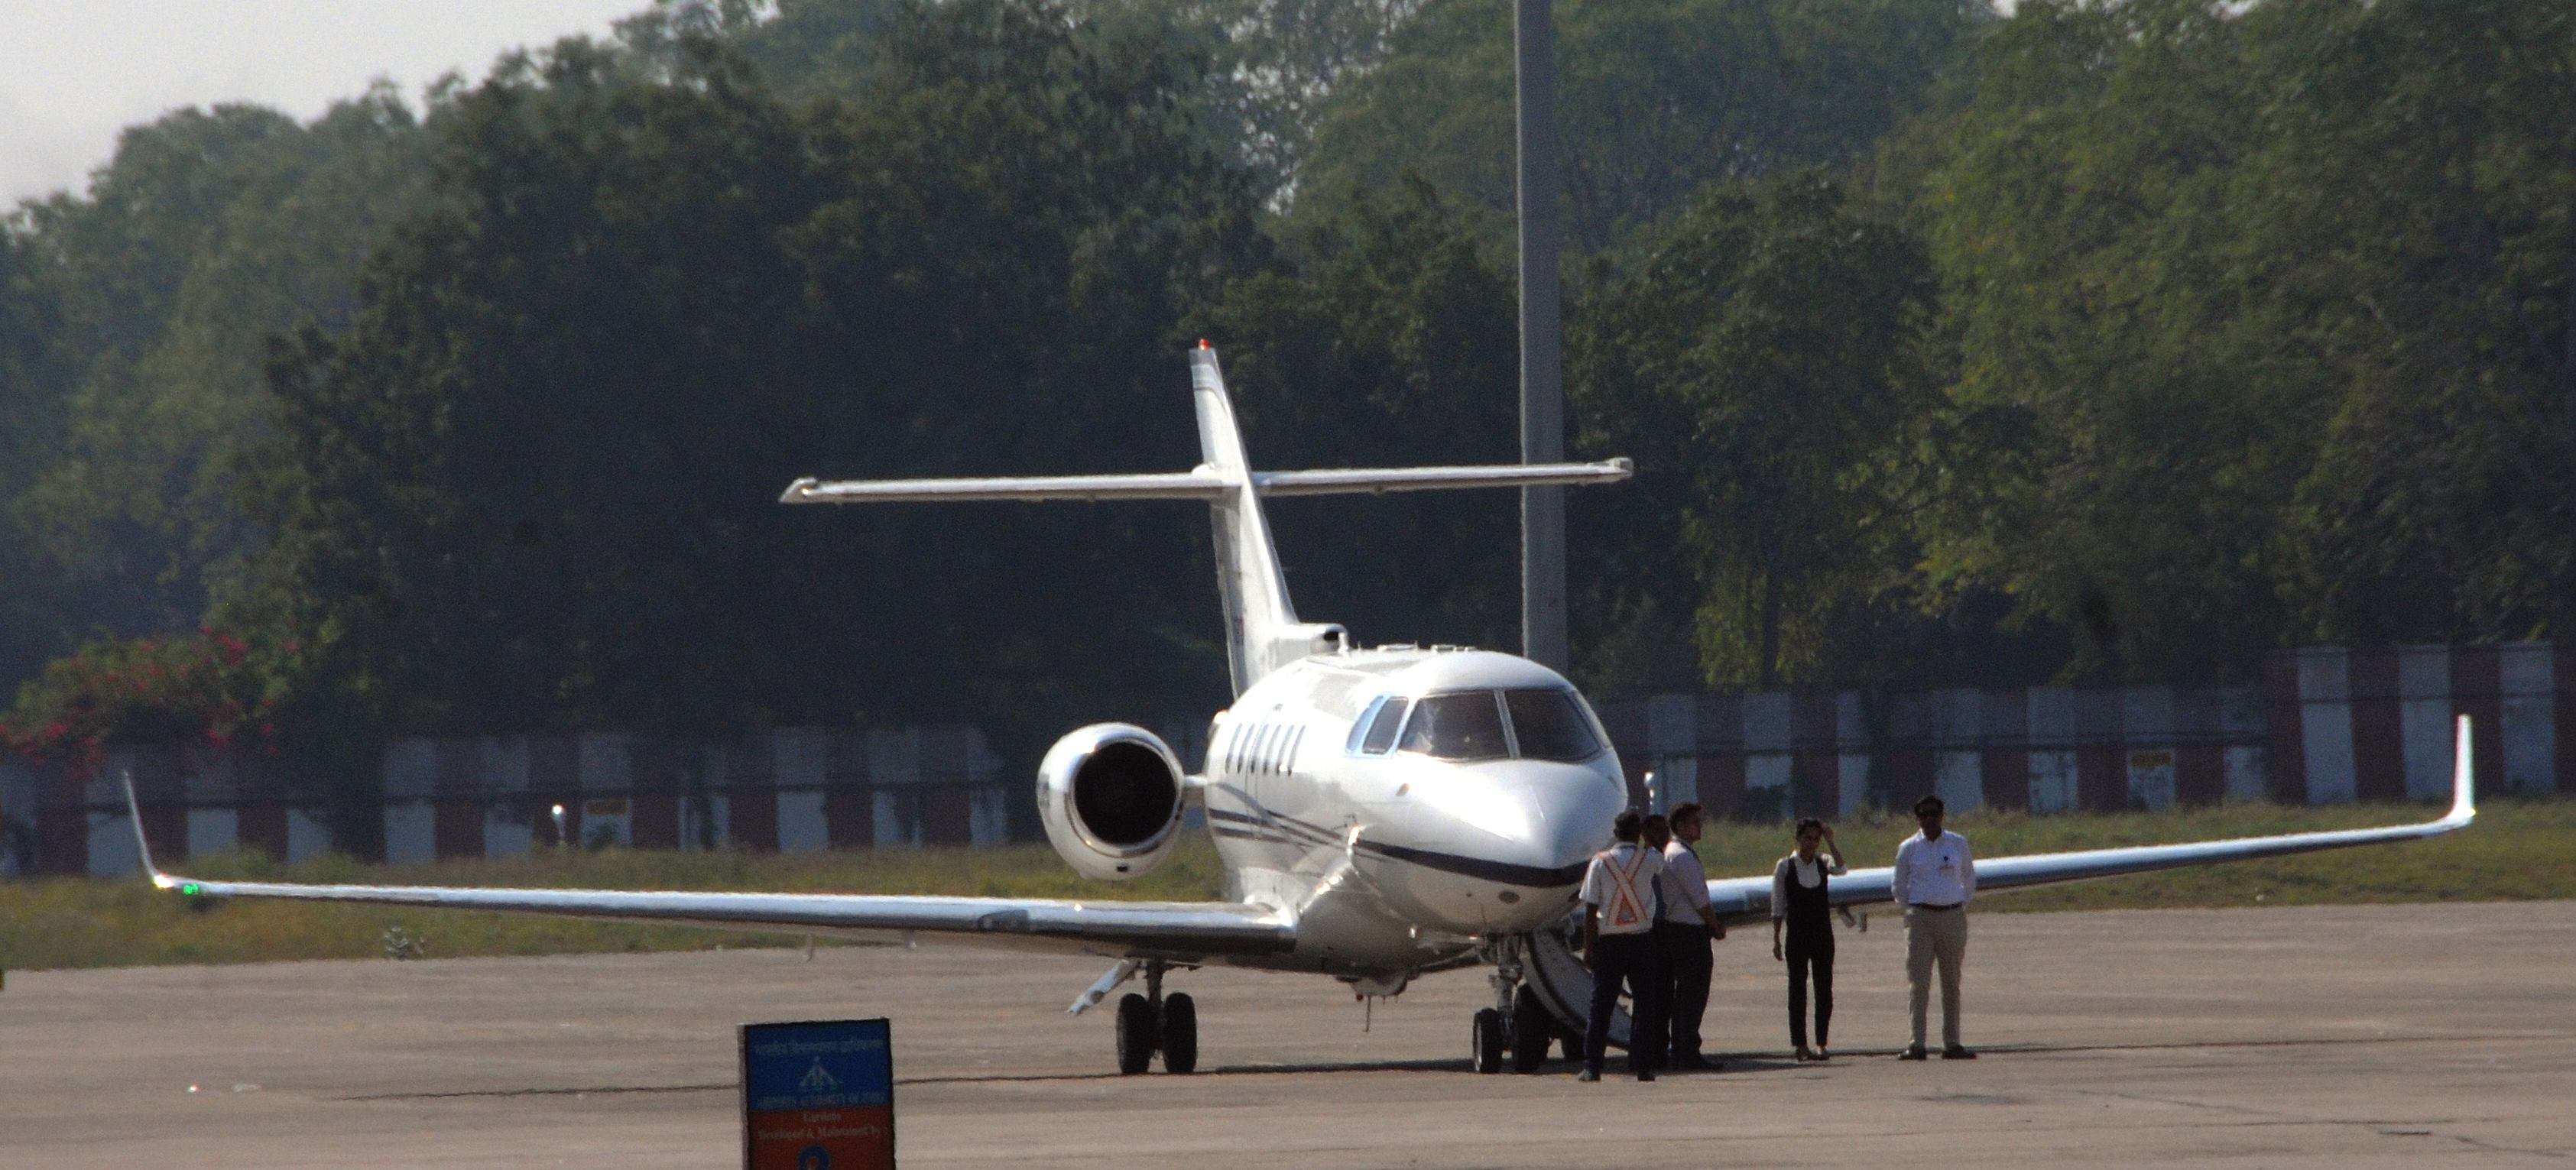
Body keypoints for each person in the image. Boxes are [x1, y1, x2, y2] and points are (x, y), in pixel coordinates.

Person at [1577, 809, 1668, 1082]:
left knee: (1601, 1006)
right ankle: (1642, 1066)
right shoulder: (1650, 859)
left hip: (1610, 942)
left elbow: (1591, 908)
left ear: (1615, 834)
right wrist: (1650, 838)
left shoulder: (1600, 863)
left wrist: (1588, 947)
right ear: (1638, 833)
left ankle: (1592, 1066)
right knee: (1645, 1005)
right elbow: (1660, 855)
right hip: (1641, 940)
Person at [1892, 794, 1976, 1060]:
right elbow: (1899, 886)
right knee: (1919, 984)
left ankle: (1952, 1043)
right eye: (1923, 815)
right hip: (1920, 919)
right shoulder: (1908, 848)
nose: (1929, 819)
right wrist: (1914, 910)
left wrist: (1957, 904)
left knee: (1951, 982)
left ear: (1942, 817)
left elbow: (1969, 879)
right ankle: (1917, 1044)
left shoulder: (1957, 844)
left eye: (1934, 814)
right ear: (1917, 819)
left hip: (1952, 917)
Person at [1653, 802, 1728, 1071]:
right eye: (1695, 822)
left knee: (1688, 993)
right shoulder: (1680, 856)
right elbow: (1699, 899)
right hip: (1687, 933)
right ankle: (1686, 1051)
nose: (1700, 826)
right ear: (1681, 826)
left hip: (1683, 931)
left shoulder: (1679, 853)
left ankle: (1684, 1048)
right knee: (1692, 994)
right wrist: (1715, 926)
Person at [1770, 818, 1848, 1061]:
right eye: (1807, 838)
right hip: (1797, 935)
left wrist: (1831, 841)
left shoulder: (1823, 862)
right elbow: (1778, 904)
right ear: (1798, 839)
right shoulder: (1785, 866)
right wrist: (1776, 938)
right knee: (1797, 989)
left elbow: (1842, 869)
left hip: (1822, 933)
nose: (1812, 843)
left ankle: (1821, 1042)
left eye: (1816, 839)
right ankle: (1800, 1043)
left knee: (1824, 988)